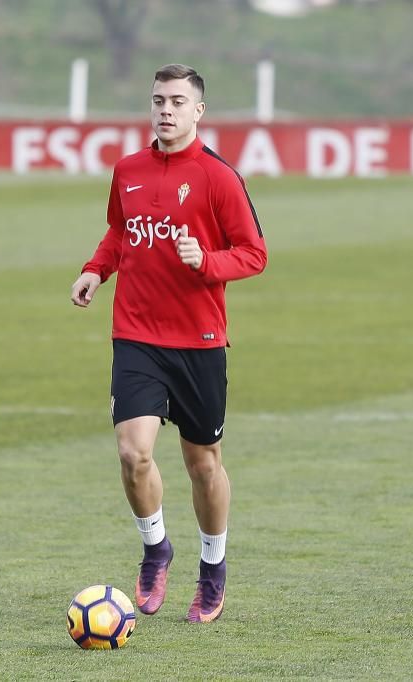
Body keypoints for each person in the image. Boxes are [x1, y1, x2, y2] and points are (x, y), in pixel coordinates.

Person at [69, 64, 267, 623]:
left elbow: (254, 254)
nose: (166, 109)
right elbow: (119, 231)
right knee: (133, 454)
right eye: (158, 99)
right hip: (136, 335)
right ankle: (156, 549)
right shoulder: (127, 169)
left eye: (178, 101)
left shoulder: (219, 178)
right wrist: (95, 270)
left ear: (198, 111)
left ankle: (212, 567)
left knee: (203, 464)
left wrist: (206, 262)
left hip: (200, 341)